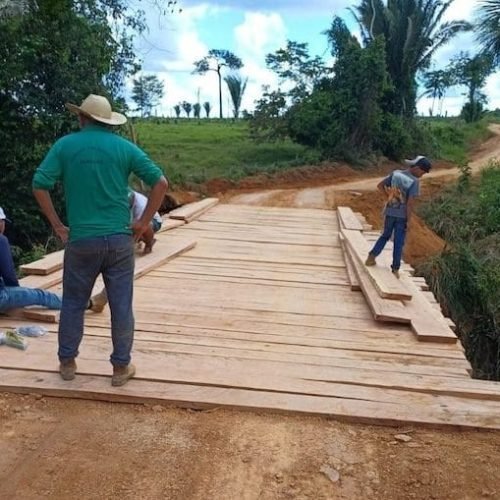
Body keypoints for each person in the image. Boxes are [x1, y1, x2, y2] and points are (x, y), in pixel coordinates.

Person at [32, 94, 168, 386]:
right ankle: (120, 369)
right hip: (119, 241)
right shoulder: (124, 148)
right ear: (107, 122)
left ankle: (67, 363)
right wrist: (143, 223)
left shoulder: (66, 146)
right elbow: (161, 183)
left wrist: (58, 225)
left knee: (72, 303)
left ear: (82, 118)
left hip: (81, 241)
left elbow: (39, 184)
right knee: (121, 305)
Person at [365, 155, 432, 278]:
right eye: (422, 172)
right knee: (399, 242)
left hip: (390, 212)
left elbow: (380, 185)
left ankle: (371, 257)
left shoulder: (396, 174)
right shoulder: (414, 182)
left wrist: (389, 198)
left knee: (385, 235)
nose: (422, 175)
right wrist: (408, 220)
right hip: (401, 216)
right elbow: (410, 203)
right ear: (417, 168)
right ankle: (395, 269)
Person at [0, 206, 63, 313]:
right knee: (41, 295)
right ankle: (84, 303)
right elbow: (9, 276)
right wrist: (18, 295)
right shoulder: (1, 240)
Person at [129, 189, 162, 254]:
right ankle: (141, 240)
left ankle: (149, 244)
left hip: (153, 220)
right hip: (136, 221)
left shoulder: (140, 205)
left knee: (141, 226)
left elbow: (143, 223)